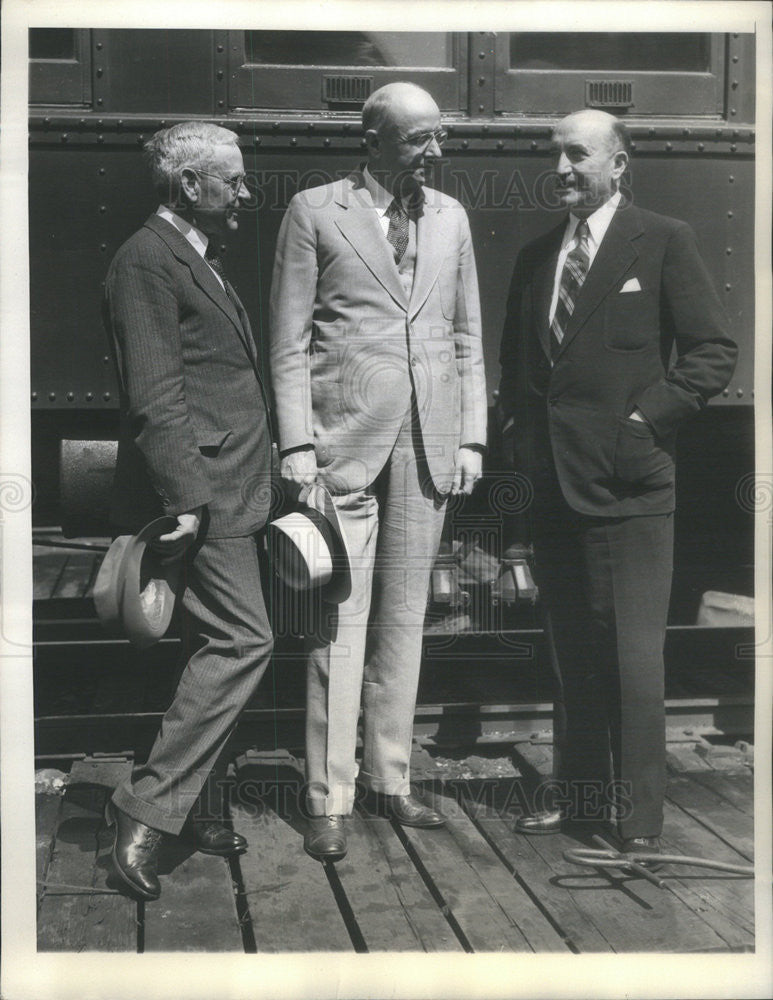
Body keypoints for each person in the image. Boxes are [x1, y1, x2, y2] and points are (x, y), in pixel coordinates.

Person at [497, 110, 737, 859]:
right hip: (553, 485)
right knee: (570, 651)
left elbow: (710, 352)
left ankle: (636, 821)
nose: (561, 169)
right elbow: (518, 377)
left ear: (618, 165)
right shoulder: (538, 257)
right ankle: (577, 797)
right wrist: (520, 457)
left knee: (632, 657)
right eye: (554, 156)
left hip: (631, 486)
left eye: (577, 155)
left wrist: (642, 422)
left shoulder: (663, 239)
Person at [270, 82, 486, 861]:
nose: (435, 152)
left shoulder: (451, 218)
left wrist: (471, 441)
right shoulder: (314, 211)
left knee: (403, 621)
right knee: (337, 625)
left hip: (427, 445)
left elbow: (466, 338)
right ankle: (328, 794)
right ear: (372, 140)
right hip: (342, 446)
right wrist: (296, 445)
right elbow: (289, 341)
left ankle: (389, 779)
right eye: (418, 139)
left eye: (438, 137)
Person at [102, 121, 274, 900]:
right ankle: (143, 813)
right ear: (188, 187)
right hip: (204, 492)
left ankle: (196, 806)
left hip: (235, 484)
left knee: (215, 640)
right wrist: (186, 501)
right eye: (232, 180)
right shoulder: (146, 261)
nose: (245, 192)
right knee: (243, 639)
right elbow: (155, 396)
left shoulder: (192, 255)